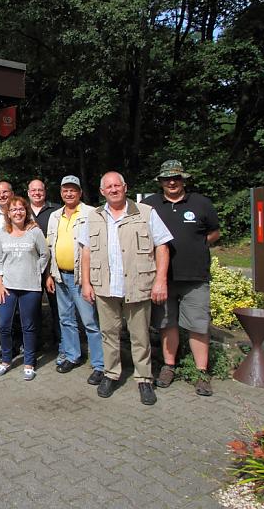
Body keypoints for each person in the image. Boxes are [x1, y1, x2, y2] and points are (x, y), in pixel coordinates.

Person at [80, 172, 172, 406]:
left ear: (125, 187)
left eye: (117, 185)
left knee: (140, 336)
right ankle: (111, 374)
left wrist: (160, 280)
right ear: (102, 192)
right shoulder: (94, 216)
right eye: (108, 187)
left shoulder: (145, 212)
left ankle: (144, 379)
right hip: (105, 287)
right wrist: (86, 283)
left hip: (137, 285)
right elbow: (86, 251)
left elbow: (162, 247)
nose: (113, 190)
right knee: (109, 334)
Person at [142, 160, 221, 396]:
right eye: (167, 179)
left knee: (198, 325)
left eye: (176, 178)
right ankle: (169, 366)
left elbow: (214, 232)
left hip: (195, 277)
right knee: (167, 323)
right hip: (162, 278)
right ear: (160, 182)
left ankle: (201, 373)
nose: (172, 182)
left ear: (183, 180)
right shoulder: (150, 205)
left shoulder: (201, 203)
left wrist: (196, 246)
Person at [46, 175, 104, 383]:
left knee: (89, 321)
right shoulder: (55, 215)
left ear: (80, 192)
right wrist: (49, 274)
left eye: (73, 190)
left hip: (81, 277)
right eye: (65, 190)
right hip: (59, 275)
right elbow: (49, 246)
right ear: (61, 193)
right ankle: (72, 355)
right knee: (66, 319)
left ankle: (99, 364)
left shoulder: (91, 213)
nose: (69, 193)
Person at [0, 196, 49, 381]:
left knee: (29, 326)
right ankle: (6, 359)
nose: (17, 212)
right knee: (4, 325)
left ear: (26, 211)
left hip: (30, 287)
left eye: (21, 209)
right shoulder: (1, 233)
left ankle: (29, 362)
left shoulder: (35, 232)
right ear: (8, 214)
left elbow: (45, 254)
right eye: (13, 209)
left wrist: (36, 271)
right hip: (7, 287)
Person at [28, 178, 60, 349]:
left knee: (57, 306)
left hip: (52, 266)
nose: (37, 193)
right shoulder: (22, 210)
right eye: (33, 190)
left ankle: (60, 341)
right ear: (28, 193)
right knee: (33, 307)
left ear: (45, 192)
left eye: (40, 190)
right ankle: (35, 342)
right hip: (30, 267)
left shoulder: (56, 210)